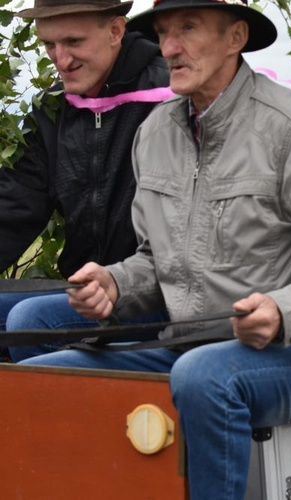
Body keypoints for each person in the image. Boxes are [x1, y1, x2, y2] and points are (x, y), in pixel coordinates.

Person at [20, 1, 291, 498]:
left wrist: (284, 308)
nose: (170, 47)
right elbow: (156, 261)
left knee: (203, 376)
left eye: (188, 29)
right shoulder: (154, 133)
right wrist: (116, 283)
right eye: (162, 33)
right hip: (184, 344)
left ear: (236, 37)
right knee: (34, 380)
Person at [0, 0, 170, 361]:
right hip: (83, 292)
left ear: (115, 30)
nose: (61, 61)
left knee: (30, 320)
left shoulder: (172, 94)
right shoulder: (54, 109)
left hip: (160, 293)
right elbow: (13, 206)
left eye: (74, 42)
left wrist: (122, 283)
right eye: (49, 44)